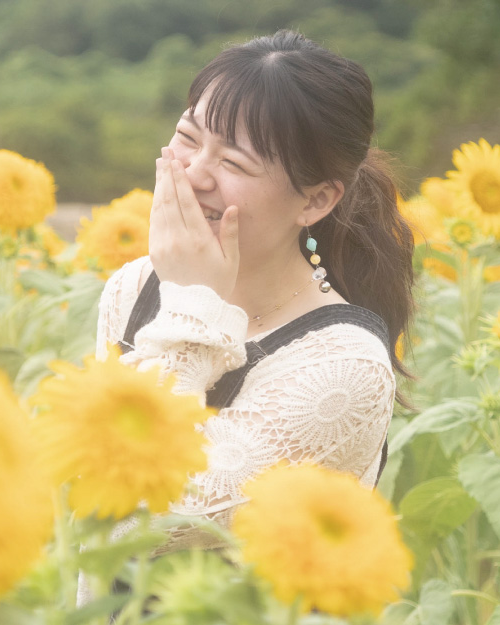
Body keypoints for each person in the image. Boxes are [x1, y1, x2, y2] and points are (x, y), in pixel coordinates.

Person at [96, 29, 416, 549]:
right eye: (188, 137)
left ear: (315, 201)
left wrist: (193, 307)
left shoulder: (345, 369)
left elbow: (139, 523)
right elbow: (87, 514)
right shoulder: (132, 287)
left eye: (234, 162)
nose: (195, 173)